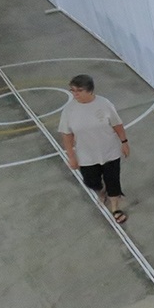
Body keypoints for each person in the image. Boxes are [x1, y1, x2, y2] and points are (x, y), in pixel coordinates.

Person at [58, 74, 131, 224]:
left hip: (109, 150)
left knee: (113, 179)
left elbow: (117, 124)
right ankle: (101, 188)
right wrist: (71, 156)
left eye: (79, 90)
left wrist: (124, 142)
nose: (75, 94)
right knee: (91, 181)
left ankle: (115, 206)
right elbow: (67, 135)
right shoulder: (69, 110)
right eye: (72, 90)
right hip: (86, 155)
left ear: (90, 90)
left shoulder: (104, 104)